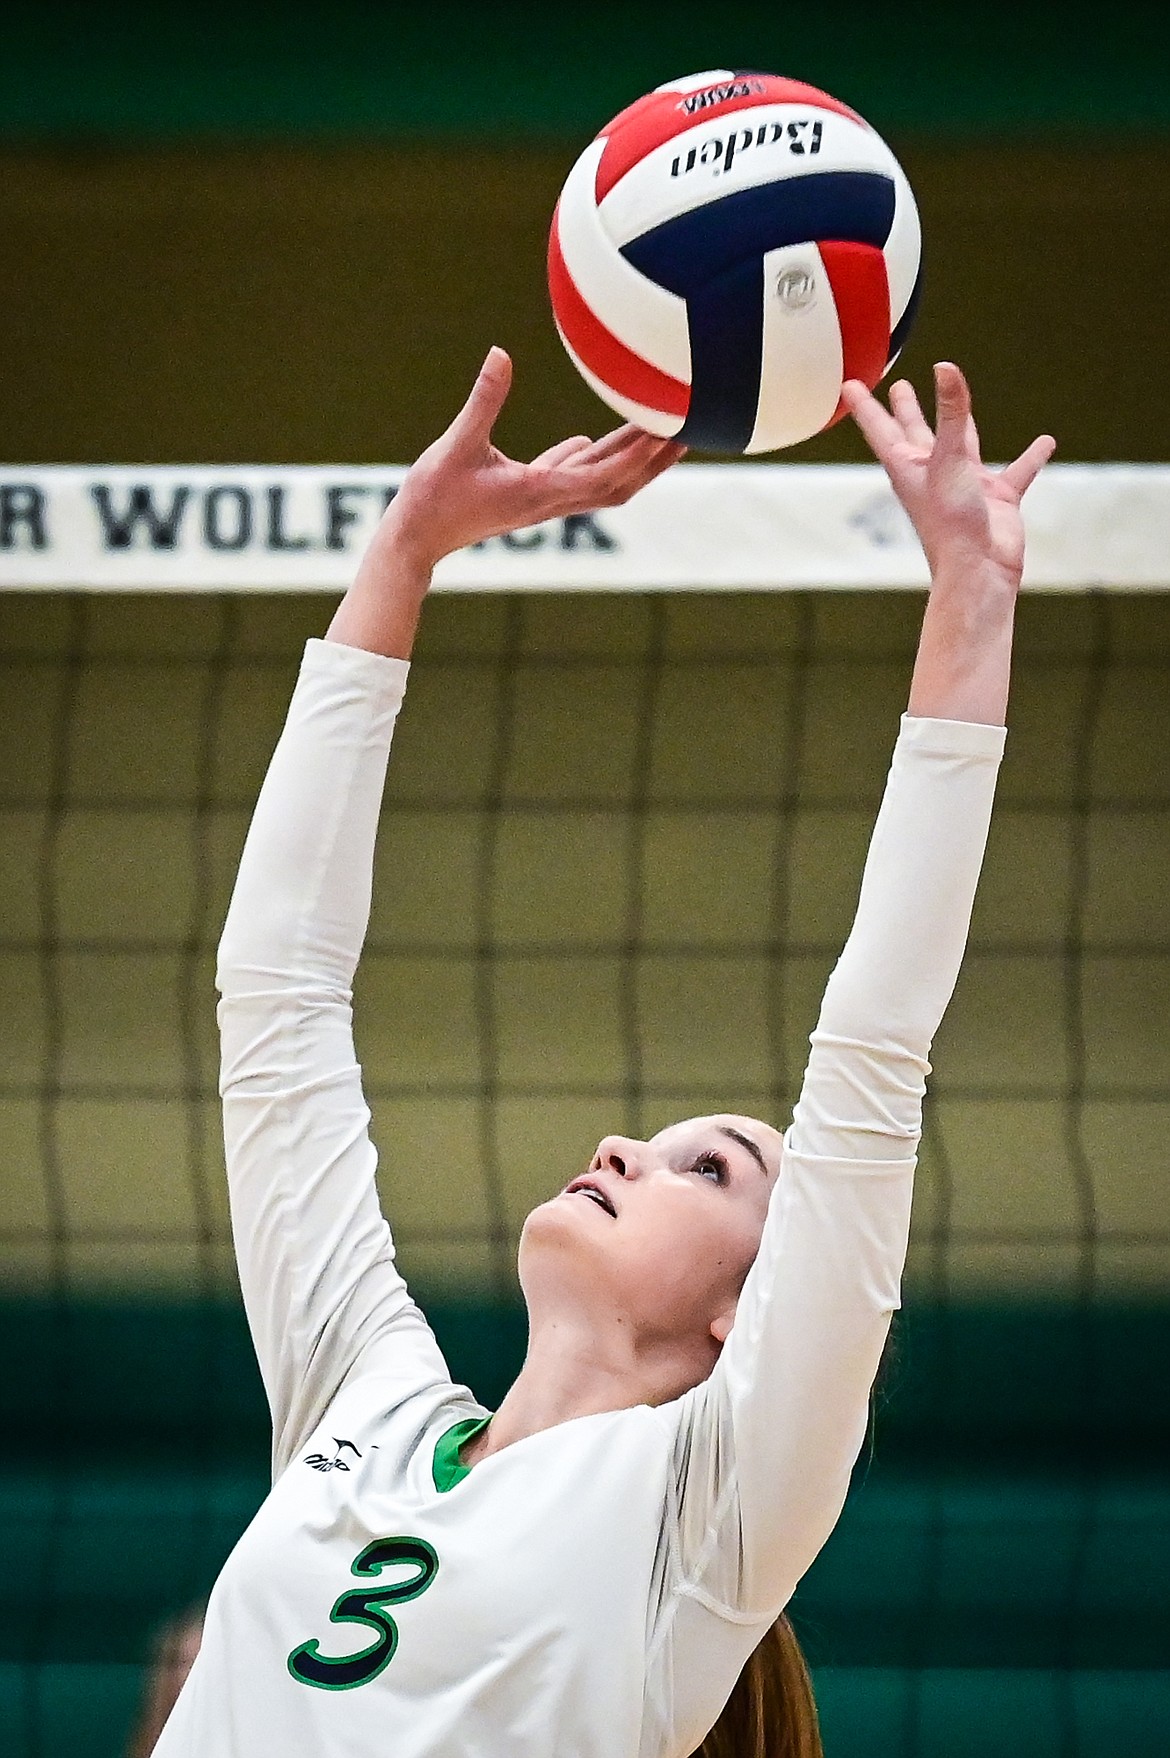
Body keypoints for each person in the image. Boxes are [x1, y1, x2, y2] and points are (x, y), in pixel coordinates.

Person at [150, 350, 1053, 1758]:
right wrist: (400, 559)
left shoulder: (702, 1510)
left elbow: (874, 1052)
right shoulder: (364, 1397)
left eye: (709, 1166)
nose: (623, 1147)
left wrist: (973, 602)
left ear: (744, 1320)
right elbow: (277, 993)